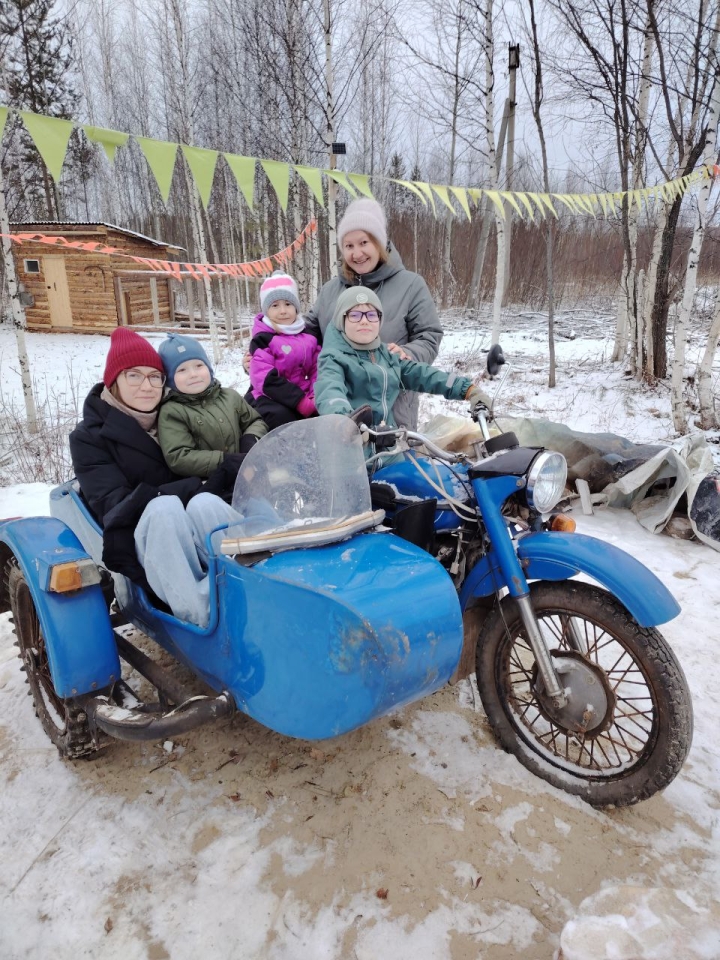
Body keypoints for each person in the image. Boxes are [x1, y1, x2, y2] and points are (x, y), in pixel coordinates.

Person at [69, 328, 241, 627]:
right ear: (114, 380)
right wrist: (191, 487)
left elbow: (231, 422)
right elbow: (114, 503)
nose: (147, 386)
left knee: (206, 504)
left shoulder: (178, 414)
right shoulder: (89, 437)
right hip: (142, 535)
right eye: (134, 376)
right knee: (165, 508)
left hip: (197, 523)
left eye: (154, 376)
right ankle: (199, 616)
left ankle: (254, 588)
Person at [305, 197, 444, 430]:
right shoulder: (330, 290)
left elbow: (429, 336)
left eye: (364, 242)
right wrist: (264, 347)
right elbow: (307, 333)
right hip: (337, 413)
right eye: (349, 246)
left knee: (392, 454)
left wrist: (408, 353)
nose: (357, 253)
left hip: (392, 412)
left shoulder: (410, 285)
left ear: (379, 242)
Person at [315, 286, 489, 447]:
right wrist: (345, 421)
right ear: (341, 320)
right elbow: (329, 390)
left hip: (390, 450)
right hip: (353, 453)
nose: (364, 321)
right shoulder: (333, 358)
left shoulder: (387, 355)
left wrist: (466, 389)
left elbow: (424, 375)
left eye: (371, 315)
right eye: (354, 315)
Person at [158, 333, 268, 502]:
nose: (193, 374)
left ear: (208, 368)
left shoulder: (230, 397)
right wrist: (223, 460)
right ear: (170, 379)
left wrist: (250, 439)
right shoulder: (172, 411)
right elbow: (179, 456)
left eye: (198, 365)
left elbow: (255, 421)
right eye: (182, 370)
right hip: (212, 487)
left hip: (249, 478)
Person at [247, 271, 320, 429]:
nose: (283, 311)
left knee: (320, 417)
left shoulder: (310, 337)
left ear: (296, 307)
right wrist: (298, 400)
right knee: (283, 418)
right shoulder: (263, 339)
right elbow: (264, 377)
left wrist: (315, 394)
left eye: (288, 304)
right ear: (266, 310)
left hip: (305, 395)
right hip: (268, 396)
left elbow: (318, 367)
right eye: (275, 305)